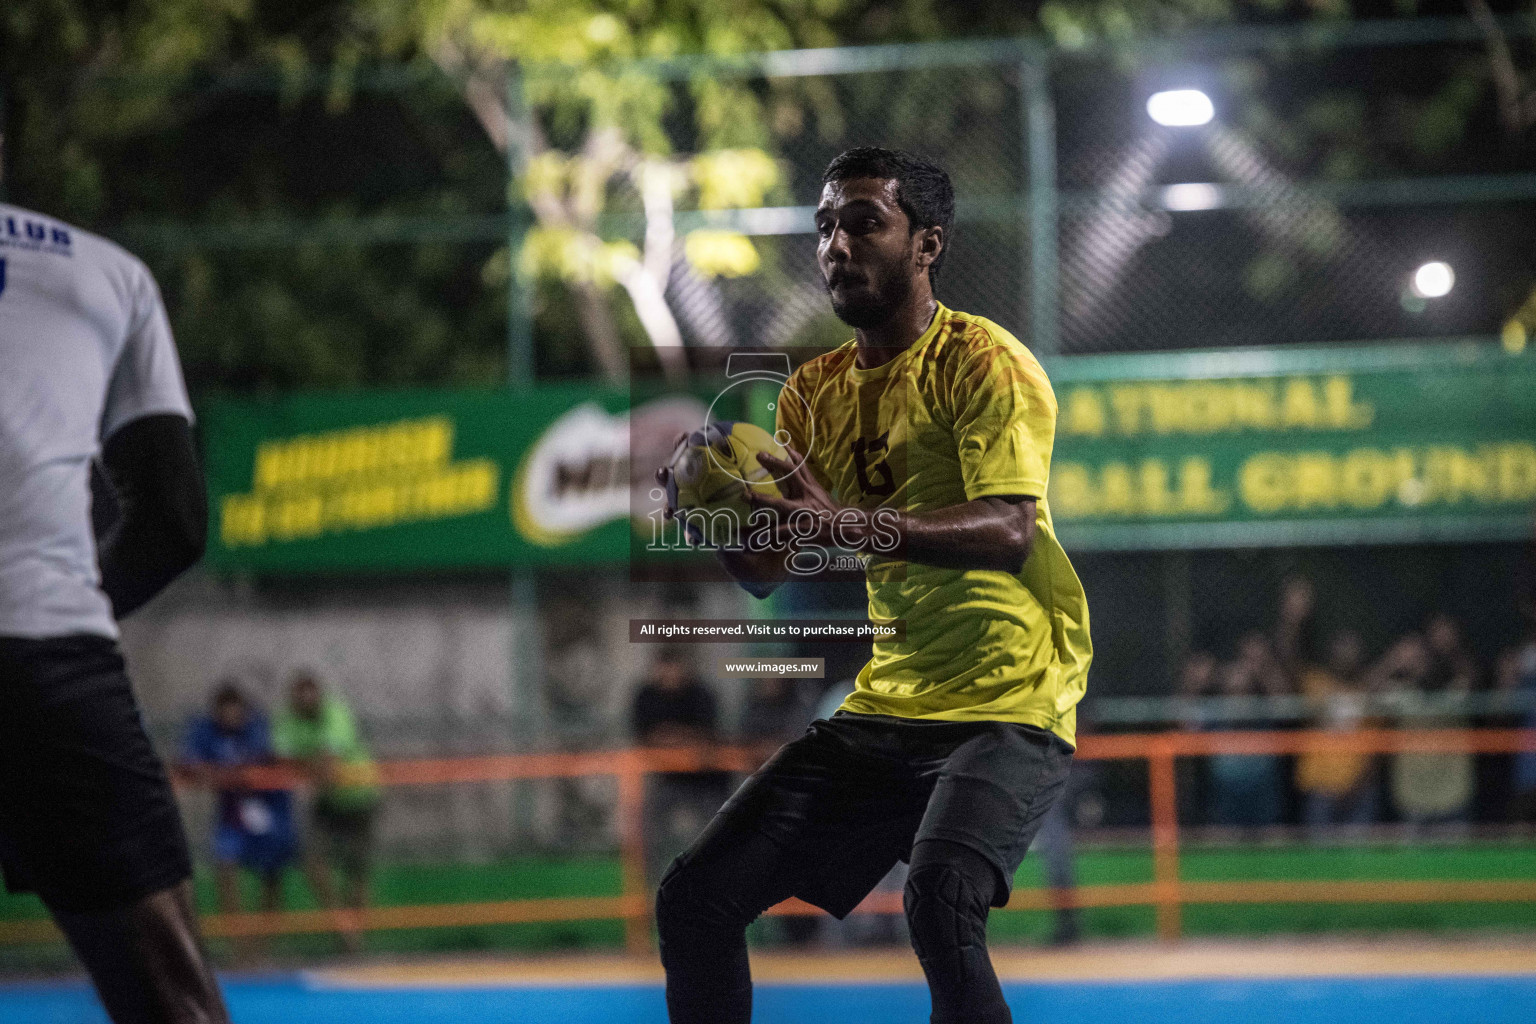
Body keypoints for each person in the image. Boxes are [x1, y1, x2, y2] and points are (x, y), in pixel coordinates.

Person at [654, 147, 1091, 1024]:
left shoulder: (983, 363)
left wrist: (845, 524)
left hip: (1011, 698)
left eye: (863, 222)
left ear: (926, 245)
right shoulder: (811, 395)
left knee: (941, 901)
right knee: (693, 900)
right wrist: (712, 518)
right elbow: (769, 574)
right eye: (824, 226)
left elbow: (1007, 530)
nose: (835, 245)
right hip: (892, 704)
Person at [0, 200, 229, 1022]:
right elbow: (172, 520)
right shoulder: (105, 271)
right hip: (44, 650)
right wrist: (59, 601)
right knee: (172, 997)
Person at [180, 682, 297, 962]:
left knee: (272, 875)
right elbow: (188, 764)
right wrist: (221, 775)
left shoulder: (260, 728)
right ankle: (238, 945)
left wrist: (228, 774)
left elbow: (269, 761)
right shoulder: (204, 730)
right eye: (224, 712)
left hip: (271, 810)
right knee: (225, 867)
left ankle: (262, 945)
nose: (231, 718)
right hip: (233, 814)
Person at [273, 671, 382, 952]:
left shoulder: (336, 712)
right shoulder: (287, 719)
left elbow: (329, 763)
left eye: (311, 693)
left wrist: (308, 768)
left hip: (360, 797)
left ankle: (353, 939)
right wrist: (315, 770)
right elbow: (285, 759)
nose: (306, 699)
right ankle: (342, 924)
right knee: (311, 860)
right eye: (300, 694)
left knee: (356, 871)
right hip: (326, 802)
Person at [631, 649, 730, 889]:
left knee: (720, 838)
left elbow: (707, 740)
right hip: (667, 782)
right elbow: (645, 738)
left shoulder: (702, 694)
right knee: (645, 835)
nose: (671, 674)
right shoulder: (646, 696)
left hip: (705, 783)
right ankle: (648, 895)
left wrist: (672, 737)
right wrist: (682, 740)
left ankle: (719, 890)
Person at [1295, 631, 1380, 835]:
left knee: (1359, 864)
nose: (1346, 655)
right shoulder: (1316, 684)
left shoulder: (1367, 693)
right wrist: (1293, 625)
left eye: (1352, 650)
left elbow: (1375, 747)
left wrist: (1358, 786)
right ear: (1331, 655)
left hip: (1359, 792)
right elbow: (1290, 659)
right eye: (1341, 649)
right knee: (1320, 862)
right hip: (1321, 790)